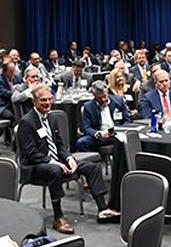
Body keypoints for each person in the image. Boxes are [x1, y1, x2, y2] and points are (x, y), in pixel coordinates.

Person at [16, 84, 119, 234]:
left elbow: (59, 145)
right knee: (55, 170)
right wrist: (52, 161)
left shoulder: (51, 118)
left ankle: (102, 209)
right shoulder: (27, 122)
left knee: (92, 167)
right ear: (34, 101)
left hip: (54, 162)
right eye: (43, 100)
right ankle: (58, 217)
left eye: (49, 100)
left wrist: (69, 157)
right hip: (34, 166)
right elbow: (30, 153)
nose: (47, 103)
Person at [78, 81, 131, 152]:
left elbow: (127, 120)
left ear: (107, 93)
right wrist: (99, 133)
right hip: (100, 136)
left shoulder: (118, 101)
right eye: (99, 98)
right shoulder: (88, 107)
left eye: (104, 96)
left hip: (118, 134)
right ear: (94, 96)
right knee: (81, 143)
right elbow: (87, 128)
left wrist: (120, 130)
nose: (103, 99)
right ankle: (94, 161)